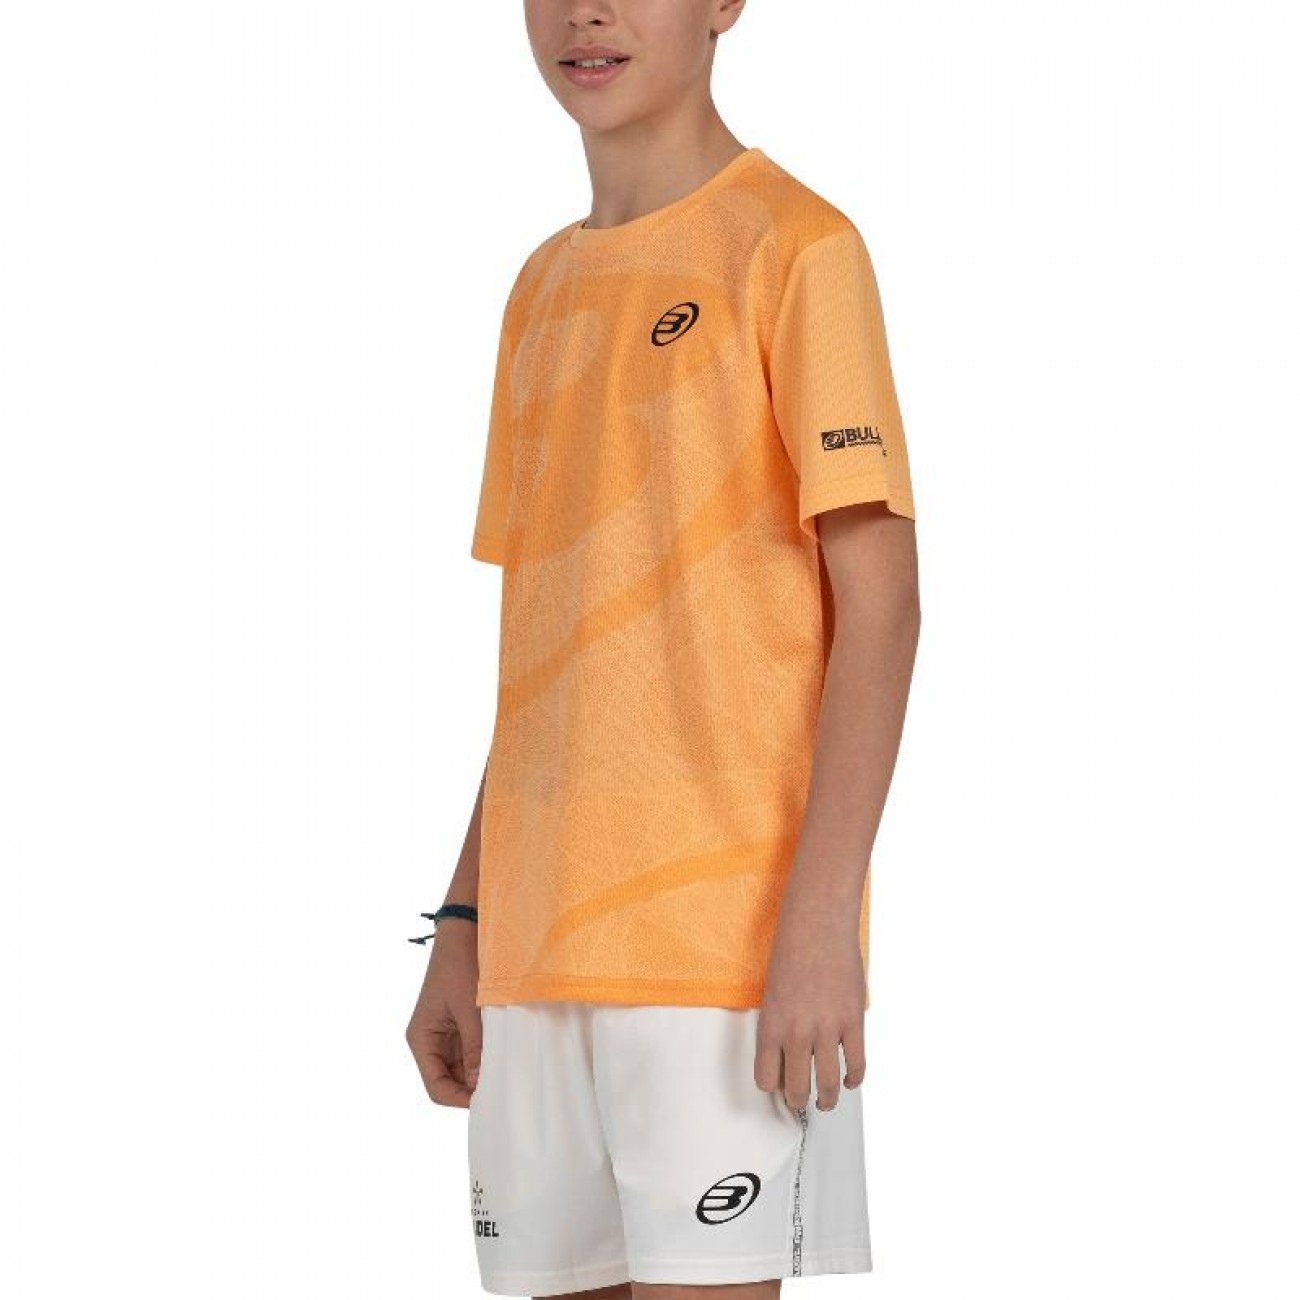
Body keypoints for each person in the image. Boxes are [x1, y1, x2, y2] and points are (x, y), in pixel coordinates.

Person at [406, 3, 921, 1296]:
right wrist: (464, 920)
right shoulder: (538, 291)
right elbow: (552, 661)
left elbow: (883, 606)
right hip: (533, 956)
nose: (587, 11)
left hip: (721, 954)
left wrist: (823, 921)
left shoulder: (797, 249)